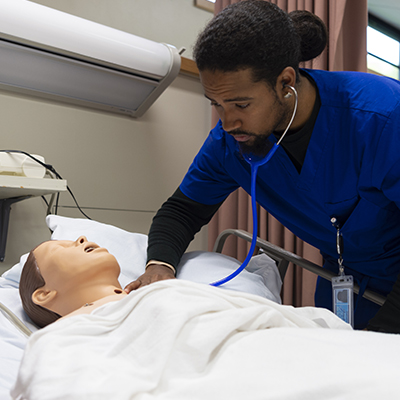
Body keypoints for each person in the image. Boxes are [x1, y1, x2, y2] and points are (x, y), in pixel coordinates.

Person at [124, 1, 400, 333]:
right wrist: (160, 265)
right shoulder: (231, 143)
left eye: (241, 104)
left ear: (285, 83)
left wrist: (382, 335)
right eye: (217, 104)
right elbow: (182, 211)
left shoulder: (381, 118)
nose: (227, 122)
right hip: (344, 281)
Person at [19, 236, 127, 327]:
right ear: (44, 295)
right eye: (60, 248)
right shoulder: (63, 336)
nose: (82, 238)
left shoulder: (138, 300)